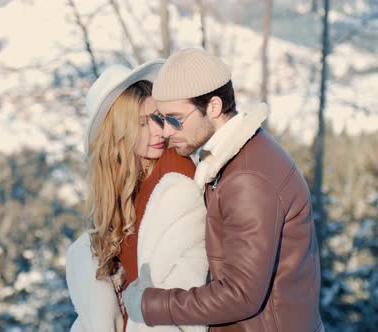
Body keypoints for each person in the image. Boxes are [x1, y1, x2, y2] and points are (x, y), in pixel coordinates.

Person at [123, 48, 324, 332]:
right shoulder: (236, 158)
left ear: (214, 107)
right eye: (161, 119)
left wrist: (148, 304)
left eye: (176, 119)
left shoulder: (247, 178)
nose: (166, 131)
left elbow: (241, 295)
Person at [66, 60, 208, 332]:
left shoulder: (174, 172)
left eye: (158, 118)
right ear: (119, 134)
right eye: (143, 123)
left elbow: (182, 289)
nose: (159, 131)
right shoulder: (126, 188)